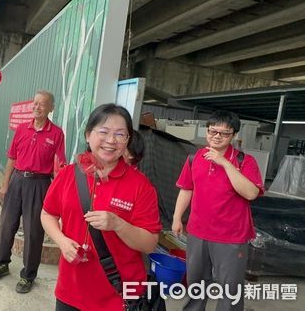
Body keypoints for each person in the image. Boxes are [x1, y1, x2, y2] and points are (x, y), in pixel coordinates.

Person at [41, 104, 162, 310]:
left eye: (120, 134)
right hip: (70, 291)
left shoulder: (141, 186)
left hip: (119, 296)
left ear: (127, 141)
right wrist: (61, 241)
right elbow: (47, 214)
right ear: (88, 135)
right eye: (103, 132)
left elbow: (149, 243)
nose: (111, 140)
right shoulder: (69, 174)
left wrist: (118, 224)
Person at [172, 110, 263, 311]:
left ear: (234, 135)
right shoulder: (194, 158)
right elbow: (186, 189)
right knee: (195, 285)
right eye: (212, 131)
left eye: (224, 133)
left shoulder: (245, 162)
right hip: (198, 232)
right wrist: (177, 218)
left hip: (231, 237)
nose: (216, 137)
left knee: (230, 291)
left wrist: (224, 163)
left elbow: (250, 193)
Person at [0, 90, 66, 294]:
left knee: (33, 232)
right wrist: (5, 185)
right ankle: (2, 263)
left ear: (51, 108)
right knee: (6, 226)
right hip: (17, 181)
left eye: (42, 104)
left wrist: (58, 198)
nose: (37, 107)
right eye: (35, 103)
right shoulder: (22, 129)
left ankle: (28, 275)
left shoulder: (56, 134)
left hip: (39, 185)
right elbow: (12, 158)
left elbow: (59, 167)